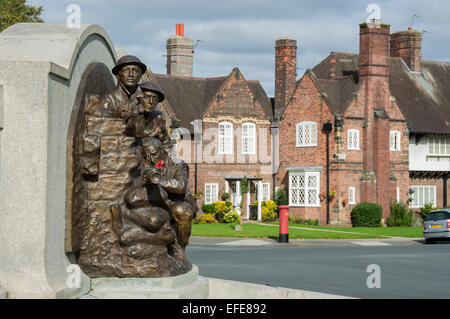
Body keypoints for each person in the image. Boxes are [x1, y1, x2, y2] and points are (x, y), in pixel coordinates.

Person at [124, 137, 197, 249]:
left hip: (175, 201)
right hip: (153, 201)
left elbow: (181, 186)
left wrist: (158, 180)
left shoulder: (177, 164)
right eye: (146, 155)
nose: (151, 159)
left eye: (154, 154)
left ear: (162, 151)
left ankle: (181, 250)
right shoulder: (142, 165)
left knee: (182, 211)